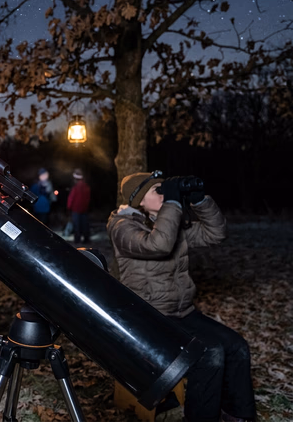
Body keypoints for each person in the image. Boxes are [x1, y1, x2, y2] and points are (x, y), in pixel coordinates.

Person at [107, 171, 256, 422]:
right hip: (151, 317)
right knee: (210, 354)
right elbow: (158, 245)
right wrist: (174, 204)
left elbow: (215, 233)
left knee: (237, 347)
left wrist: (200, 201)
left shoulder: (169, 223)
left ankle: (237, 416)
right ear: (139, 199)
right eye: (158, 191)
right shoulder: (123, 227)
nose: (166, 195)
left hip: (183, 312)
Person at [66, 168, 91, 243]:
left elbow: (71, 198)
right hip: (84, 209)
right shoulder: (86, 187)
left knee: (77, 225)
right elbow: (88, 199)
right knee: (84, 224)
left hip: (76, 210)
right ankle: (86, 239)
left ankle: (77, 239)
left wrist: (68, 207)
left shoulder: (75, 188)